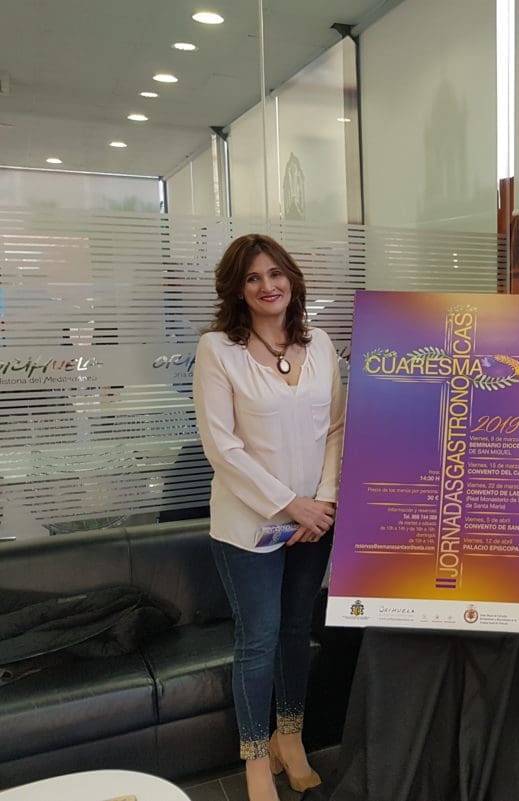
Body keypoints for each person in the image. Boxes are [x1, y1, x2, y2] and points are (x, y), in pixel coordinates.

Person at [193, 234, 345, 801]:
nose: (267, 285)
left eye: (275, 273)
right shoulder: (218, 350)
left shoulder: (320, 343)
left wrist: (323, 502)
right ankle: (257, 761)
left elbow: (336, 428)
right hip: (249, 525)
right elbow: (222, 447)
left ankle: (291, 740)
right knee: (258, 640)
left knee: (296, 632)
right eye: (253, 277)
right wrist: (291, 503)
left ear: (292, 279)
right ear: (237, 289)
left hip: (314, 523)